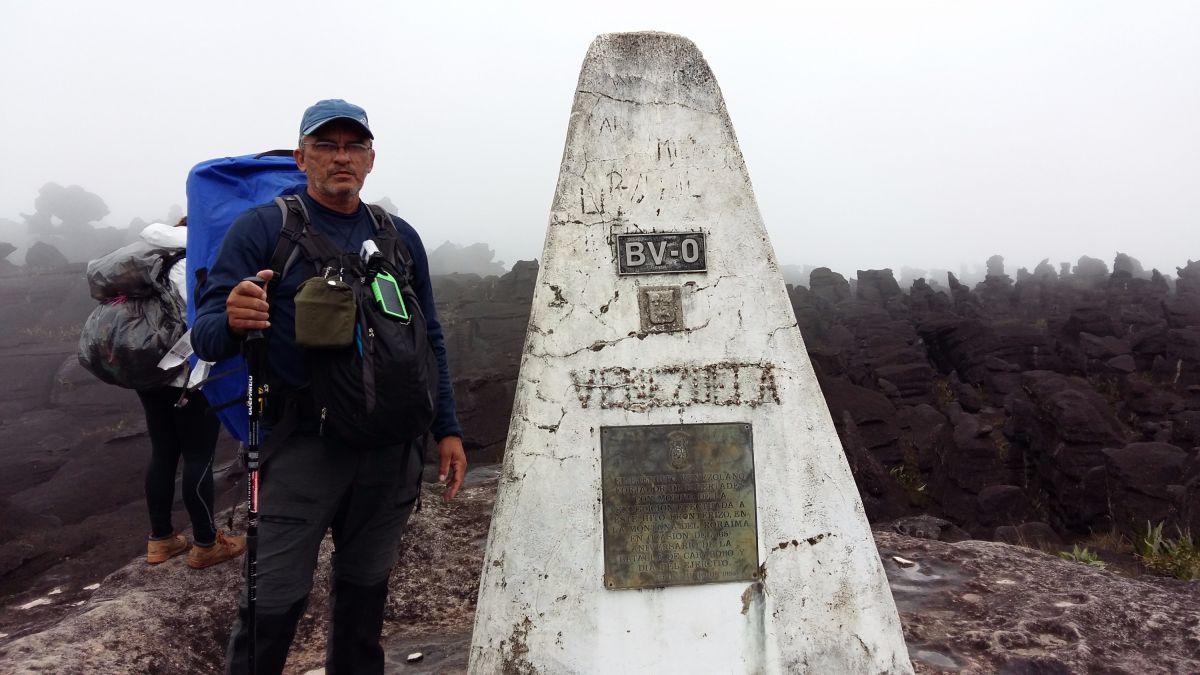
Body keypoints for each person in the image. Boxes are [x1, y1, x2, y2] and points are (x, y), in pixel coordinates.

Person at [191, 99, 467, 675]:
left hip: (390, 452)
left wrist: (447, 429)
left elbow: (431, 338)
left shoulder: (400, 238)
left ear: (370, 159)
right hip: (301, 448)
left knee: (365, 601)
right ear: (301, 158)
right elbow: (207, 335)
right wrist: (234, 319)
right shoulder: (263, 230)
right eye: (326, 146)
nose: (341, 157)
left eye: (353, 146)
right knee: (271, 605)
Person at [139, 218, 246, 570]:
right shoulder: (194, 263)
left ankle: (161, 539)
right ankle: (205, 543)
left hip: (150, 372)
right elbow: (204, 320)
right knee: (199, 455)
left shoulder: (155, 261)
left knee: (163, 451)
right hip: (188, 375)